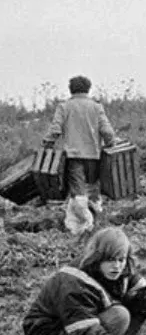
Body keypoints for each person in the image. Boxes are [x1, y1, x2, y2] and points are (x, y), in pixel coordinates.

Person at [42, 75, 117, 227]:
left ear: (71, 90)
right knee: (93, 190)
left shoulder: (64, 107)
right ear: (88, 89)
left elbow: (55, 129)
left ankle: (85, 225)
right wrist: (110, 143)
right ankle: (94, 220)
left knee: (78, 192)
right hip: (94, 156)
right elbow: (107, 131)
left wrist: (47, 143)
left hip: (74, 156)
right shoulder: (96, 107)